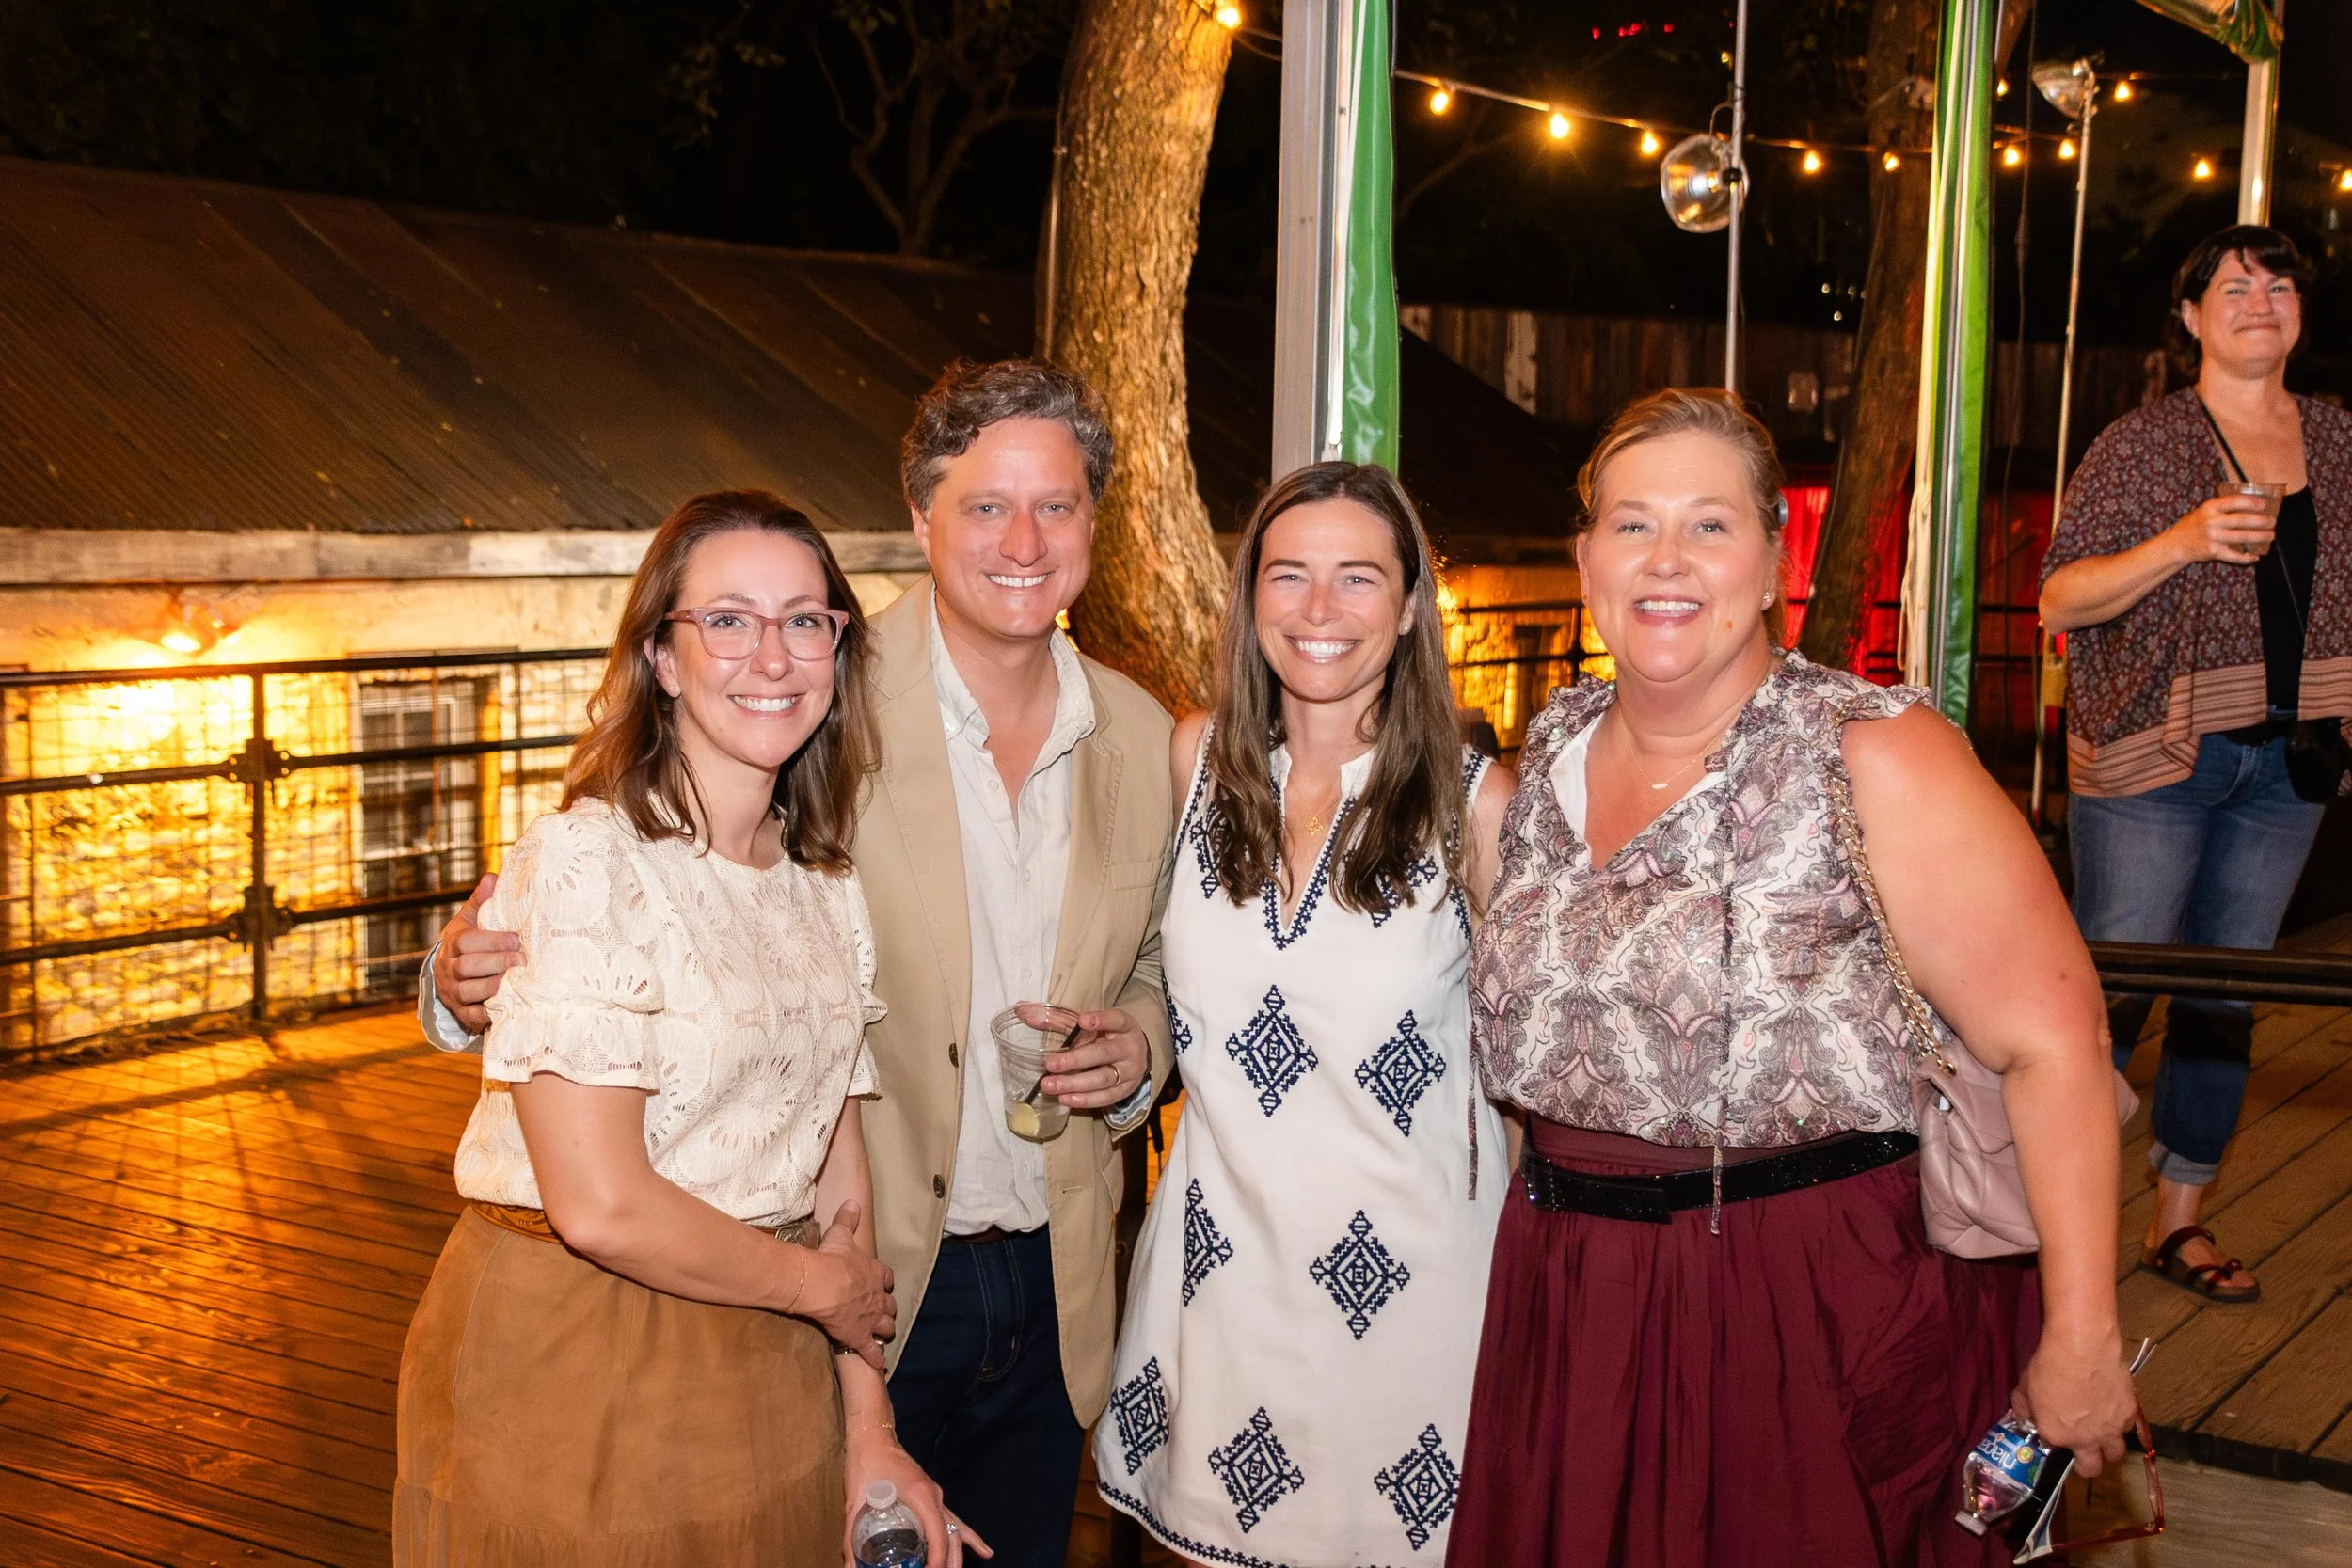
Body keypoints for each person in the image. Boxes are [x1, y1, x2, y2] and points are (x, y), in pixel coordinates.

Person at [420, 361, 1177, 1568]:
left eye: (1057, 505)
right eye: (986, 504)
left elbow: (1157, 958)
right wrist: (458, 979)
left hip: (1043, 1277)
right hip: (843, 1289)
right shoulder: (823, 688)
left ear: (1098, 522)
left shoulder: (1143, 733)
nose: (1023, 541)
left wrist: (1143, 1039)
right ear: (920, 516)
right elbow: (590, 879)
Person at [1450, 390, 2139, 1566]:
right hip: (1570, 1290)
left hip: (1805, 1300)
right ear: (1585, 558)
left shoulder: (1871, 749)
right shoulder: (1551, 741)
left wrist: (2081, 1335)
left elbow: (2054, 1042)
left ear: (1773, 562)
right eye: (1632, 524)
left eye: (1709, 525)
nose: (1666, 558)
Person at [394, 491, 967, 1564]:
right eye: (729, 619)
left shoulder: (821, 882)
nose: (773, 656)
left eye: (805, 620)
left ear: (838, 650)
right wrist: (821, 1289)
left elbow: (834, 1167)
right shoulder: (590, 859)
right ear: (662, 656)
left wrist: (869, 1425)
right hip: (582, 1357)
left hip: (772, 1362)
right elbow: (600, 1203)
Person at [1094, 463, 1515, 1565]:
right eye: (1288, 574)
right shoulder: (1193, 761)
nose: (1318, 607)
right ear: (1249, 598)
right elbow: (1148, 969)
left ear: (1410, 604)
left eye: (1357, 577)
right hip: (1219, 1286)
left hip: (1414, 1304)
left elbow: (1531, 1074)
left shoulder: (1476, 802)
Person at [2039, 226, 2351, 1305]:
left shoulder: (2337, 439)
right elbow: (2058, 595)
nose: (2260, 300)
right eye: (2233, 285)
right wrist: (2181, 539)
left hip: (2290, 763)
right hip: (2154, 755)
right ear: (2188, 317)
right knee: (2109, 991)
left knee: (2229, 990)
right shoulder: (2144, 443)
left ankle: (2177, 1219)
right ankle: (2046, 1224)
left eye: (2279, 284)